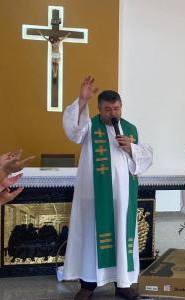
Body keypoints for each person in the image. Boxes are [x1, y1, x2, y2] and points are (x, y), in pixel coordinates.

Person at [62, 76, 153, 300]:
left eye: (116, 108)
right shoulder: (90, 125)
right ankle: (88, 285)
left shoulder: (130, 129)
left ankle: (123, 284)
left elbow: (146, 158)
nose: (113, 113)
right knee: (92, 237)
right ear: (99, 109)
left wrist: (131, 148)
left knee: (122, 236)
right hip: (95, 197)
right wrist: (82, 100)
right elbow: (73, 132)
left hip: (122, 198)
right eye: (107, 109)